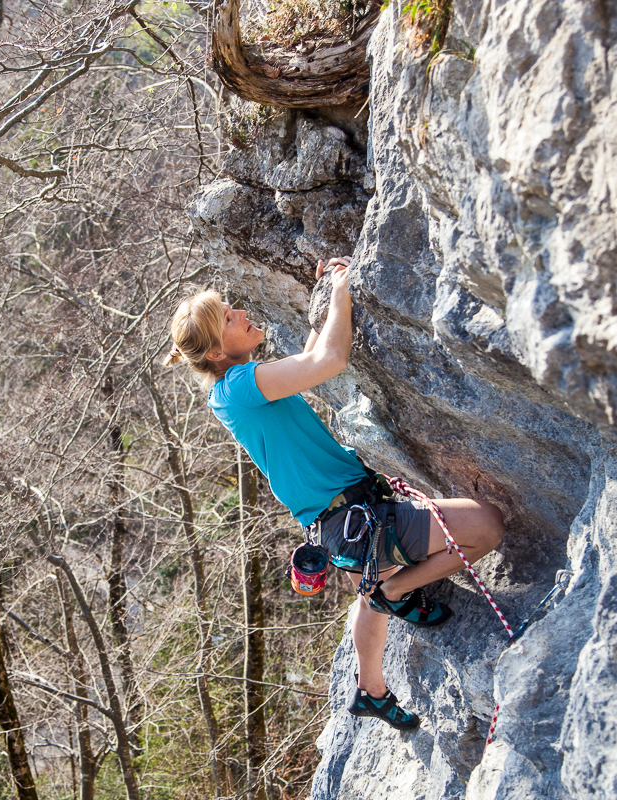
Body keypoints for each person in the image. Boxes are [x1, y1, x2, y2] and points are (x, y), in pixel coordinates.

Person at [163, 256, 504, 730]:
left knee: (371, 589)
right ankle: (397, 588)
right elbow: (329, 361)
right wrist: (341, 289)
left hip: (341, 522)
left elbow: (304, 363)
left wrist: (324, 297)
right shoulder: (239, 386)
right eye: (228, 317)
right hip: (352, 518)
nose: (240, 313)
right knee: (486, 526)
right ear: (218, 351)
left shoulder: (234, 388)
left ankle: (371, 689)